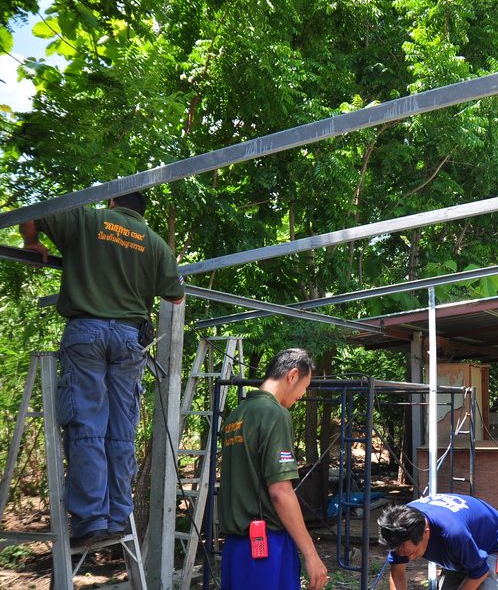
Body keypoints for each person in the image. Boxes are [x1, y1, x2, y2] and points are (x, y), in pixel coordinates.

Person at [19, 191, 185, 547]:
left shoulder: (85, 219)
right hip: (129, 339)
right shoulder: (156, 244)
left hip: (87, 332)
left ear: (112, 202)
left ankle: (91, 519)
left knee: (87, 423)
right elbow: (175, 296)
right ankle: (117, 516)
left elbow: (31, 215)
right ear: (142, 211)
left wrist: (32, 244)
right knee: (121, 429)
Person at [219, 348, 328, 590]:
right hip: (265, 546)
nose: (302, 395)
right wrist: (311, 555)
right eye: (304, 387)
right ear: (292, 375)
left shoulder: (237, 414)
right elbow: (280, 491)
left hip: (235, 548)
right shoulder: (274, 413)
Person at [378, 493, 498, 590]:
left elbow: (479, 573)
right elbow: (397, 573)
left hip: (491, 542)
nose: (409, 558)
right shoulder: (398, 530)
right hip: (460, 545)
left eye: (411, 553)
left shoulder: (454, 533)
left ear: (426, 532)